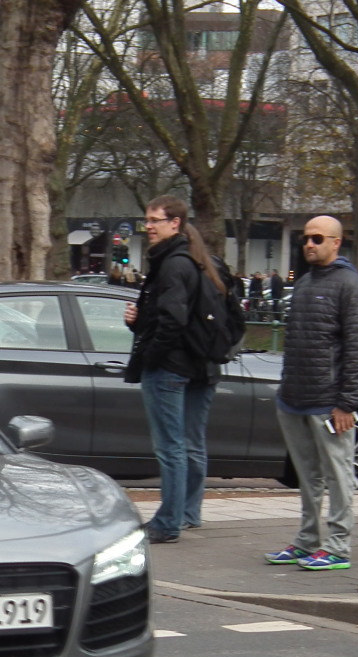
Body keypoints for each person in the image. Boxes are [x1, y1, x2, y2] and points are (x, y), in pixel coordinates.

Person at [265, 216, 358, 571]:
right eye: (305, 239)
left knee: (339, 474)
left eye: (316, 238)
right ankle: (308, 540)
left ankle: (338, 546)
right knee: (308, 475)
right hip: (294, 398)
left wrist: (347, 402)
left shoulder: (350, 286)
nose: (309, 244)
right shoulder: (307, 283)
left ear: (336, 242)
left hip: (328, 403)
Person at [123, 195, 224, 544]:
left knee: (170, 448)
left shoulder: (171, 264)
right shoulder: (192, 262)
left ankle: (168, 522)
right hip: (195, 365)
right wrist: (142, 322)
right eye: (147, 220)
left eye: (155, 220)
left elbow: (172, 319)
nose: (148, 226)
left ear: (175, 223)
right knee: (189, 444)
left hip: (169, 367)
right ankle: (186, 513)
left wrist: (151, 355)